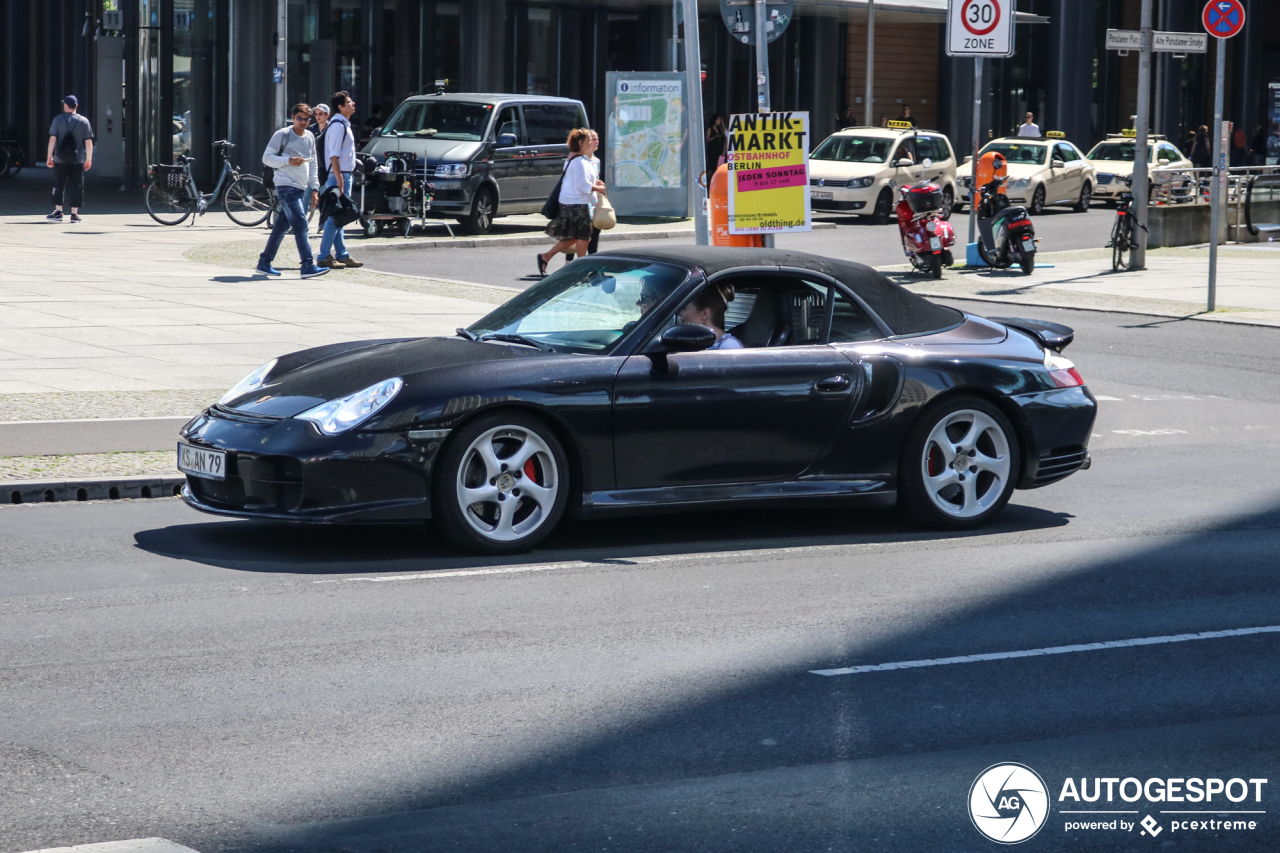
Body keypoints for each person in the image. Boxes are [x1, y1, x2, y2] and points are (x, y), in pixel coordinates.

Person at [255, 104, 327, 279]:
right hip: (285, 186)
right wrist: (288, 160)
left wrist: (315, 187)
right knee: (301, 224)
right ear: (293, 117)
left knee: (280, 227)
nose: (303, 122)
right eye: (299, 118)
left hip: (301, 187)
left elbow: (313, 163)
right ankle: (308, 265)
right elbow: (267, 158)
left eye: (306, 119)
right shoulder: (283, 134)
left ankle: (264, 262)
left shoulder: (310, 136)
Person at [536, 128, 605, 276]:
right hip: (576, 204)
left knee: (577, 238)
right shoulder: (578, 161)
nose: (591, 143)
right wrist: (598, 188)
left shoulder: (577, 158)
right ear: (580, 143)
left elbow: (582, 181)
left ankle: (546, 257)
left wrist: (595, 182)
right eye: (588, 141)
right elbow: (583, 186)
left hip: (574, 203)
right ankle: (583, 268)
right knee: (583, 238)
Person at [318, 91, 363, 269]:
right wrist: (339, 180)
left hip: (343, 174)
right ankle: (323, 257)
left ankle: (342, 254)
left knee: (340, 216)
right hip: (339, 175)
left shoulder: (343, 123)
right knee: (334, 216)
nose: (353, 104)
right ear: (340, 106)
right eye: (349, 102)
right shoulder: (338, 125)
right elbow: (334, 156)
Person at [45, 95, 94, 223]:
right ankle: (74, 214)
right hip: (77, 160)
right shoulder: (84, 121)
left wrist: (49, 156)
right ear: (76, 106)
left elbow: (52, 139)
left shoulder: (58, 120)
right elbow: (88, 142)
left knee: (58, 184)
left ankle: (58, 212)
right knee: (77, 186)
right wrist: (89, 159)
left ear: (65, 105)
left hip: (60, 159)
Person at [564, 129, 604, 266]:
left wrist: (598, 184)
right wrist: (598, 188)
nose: (596, 141)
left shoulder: (597, 161)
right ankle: (568, 263)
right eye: (593, 139)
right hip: (580, 201)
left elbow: (593, 180)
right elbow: (581, 183)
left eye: (597, 139)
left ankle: (591, 263)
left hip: (593, 201)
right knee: (577, 235)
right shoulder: (578, 159)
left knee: (593, 233)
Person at [678, 283, 742, 349]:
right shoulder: (698, 343)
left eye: (684, 308)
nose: (680, 313)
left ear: (705, 314)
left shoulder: (729, 346)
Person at [307, 102, 331, 187]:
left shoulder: (331, 128)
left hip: (327, 165)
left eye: (320, 114)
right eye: (316, 114)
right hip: (314, 165)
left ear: (327, 115)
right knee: (307, 195)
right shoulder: (311, 128)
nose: (318, 116)